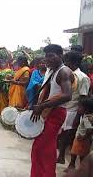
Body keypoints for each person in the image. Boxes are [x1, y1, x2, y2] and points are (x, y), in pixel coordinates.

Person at [30, 44, 74, 177]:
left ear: (60, 56)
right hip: (50, 111)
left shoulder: (64, 71)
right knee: (43, 148)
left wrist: (42, 106)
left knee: (42, 148)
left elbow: (67, 95)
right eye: (46, 56)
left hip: (56, 113)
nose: (47, 59)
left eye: (51, 56)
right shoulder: (53, 71)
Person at [57, 51, 91, 164]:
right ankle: (61, 156)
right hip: (64, 108)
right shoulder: (66, 74)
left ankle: (68, 160)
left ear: (73, 62)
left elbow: (83, 97)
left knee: (70, 136)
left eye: (66, 61)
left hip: (73, 110)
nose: (65, 63)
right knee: (62, 134)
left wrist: (78, 115)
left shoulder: (83, 77)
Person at [65, 97, 93, 172]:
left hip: (81, 140)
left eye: (80, 107)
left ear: (86, 109)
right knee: (80, 154)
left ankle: (77, 168)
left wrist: (84, 136)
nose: (78, 109)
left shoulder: (87, 118)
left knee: (76, 153)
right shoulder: (85, 116)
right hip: (82, 139)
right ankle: (79, 168)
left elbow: (90, 129)